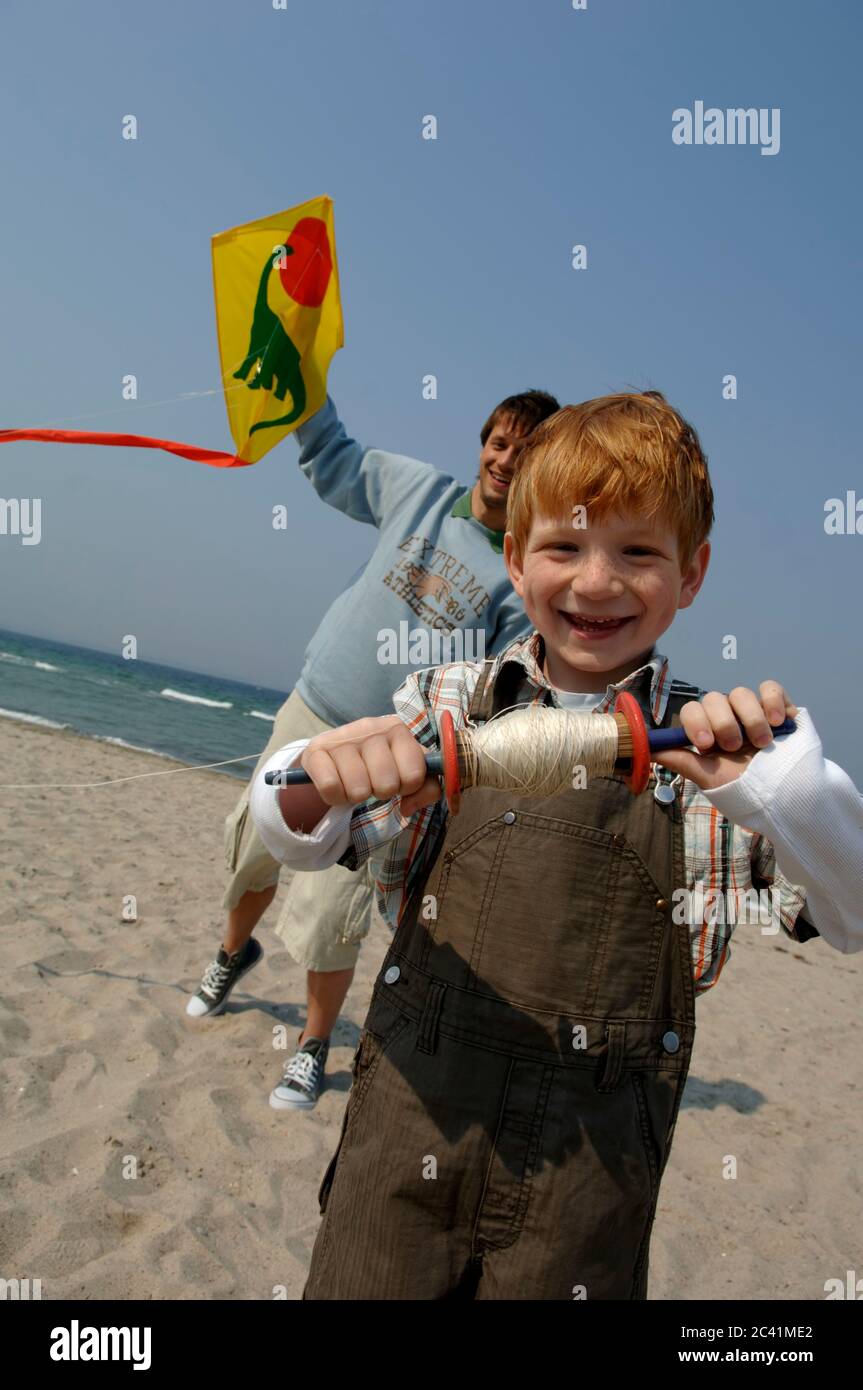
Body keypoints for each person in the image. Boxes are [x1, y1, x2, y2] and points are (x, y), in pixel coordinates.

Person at [249, 390, 863, 1299]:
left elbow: (848, 916)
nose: (594, 582)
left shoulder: (712, 761)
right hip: (402, 1152)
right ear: (513, 556)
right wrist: (311, 774)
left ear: (691, 576)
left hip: (585, 1199)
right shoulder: (446, 703)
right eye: (563, 547)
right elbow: (299, 835)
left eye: (638, 552)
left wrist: (791, 794)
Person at [186, 388, 561, 1113]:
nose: (506, 462)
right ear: (483, 443)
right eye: (500, 442)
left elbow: (498, 693)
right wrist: (304, 382)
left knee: (331, 916)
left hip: (380, 768)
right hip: (308, 712)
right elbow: (333, 459)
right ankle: (232, 955)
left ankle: (311, 1045)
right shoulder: (417, 489)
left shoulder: (520, 579)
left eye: (527, 453)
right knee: (252, 855)